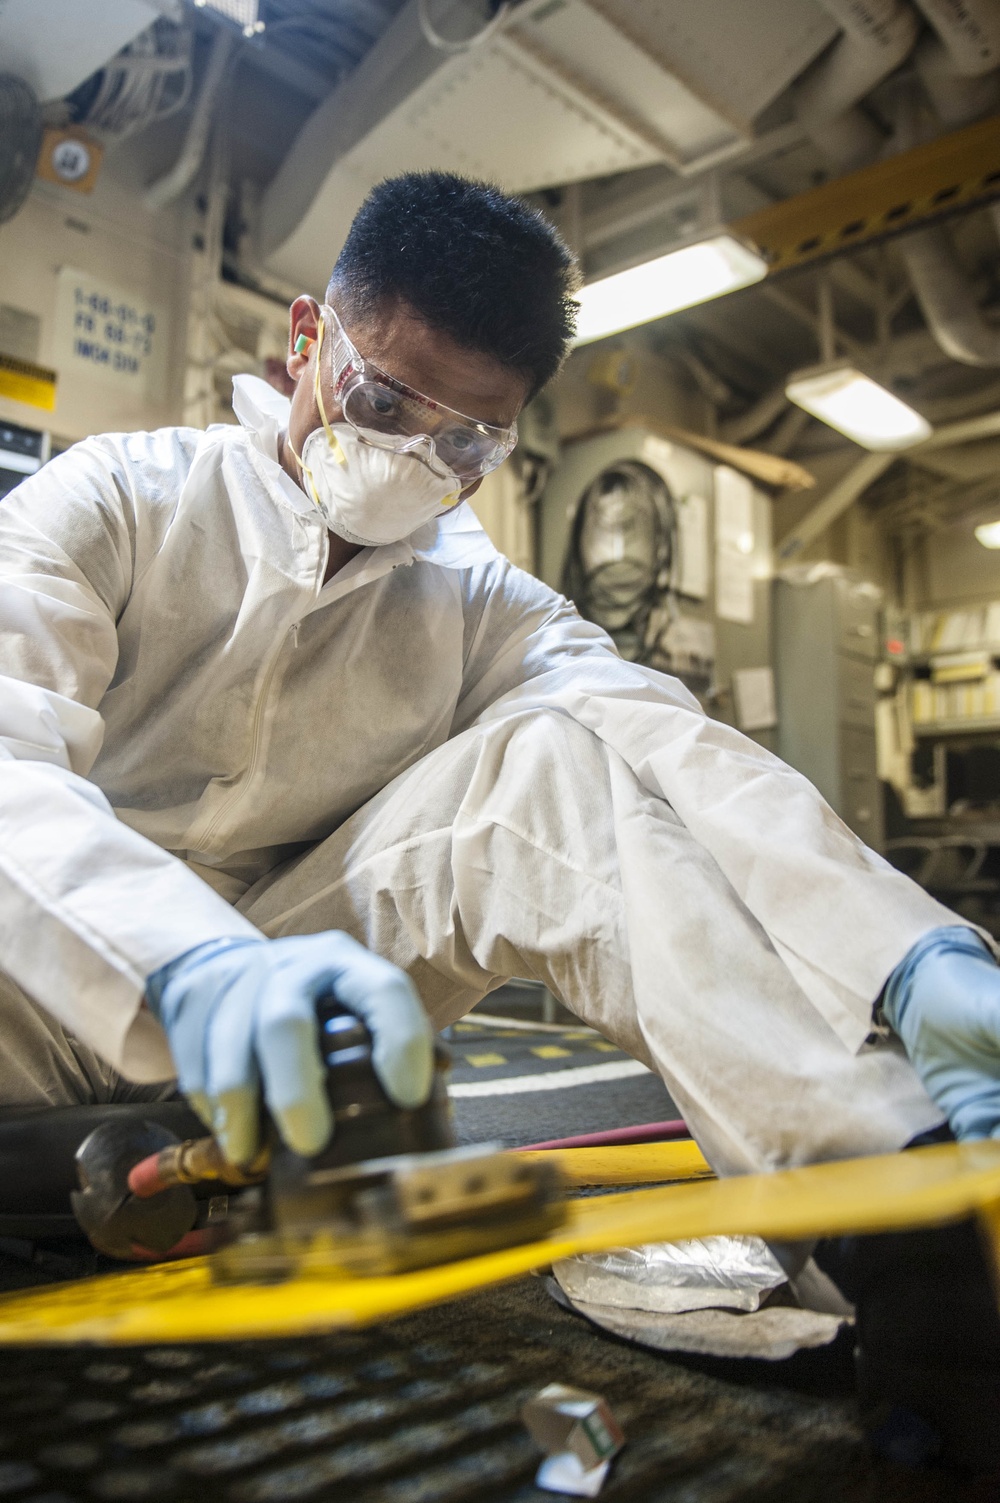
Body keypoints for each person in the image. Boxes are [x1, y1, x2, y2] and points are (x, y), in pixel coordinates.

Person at [0, 175, 998, 1452]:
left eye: (469, 441)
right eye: (384, 401)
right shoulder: (116, 500)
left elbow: (671, 744)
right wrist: (189, 966)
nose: (419, 456)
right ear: (306, 338)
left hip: (285, 1031)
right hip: (31, 1004)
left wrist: (906, 950)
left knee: (553, 763)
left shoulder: (477, 603)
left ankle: (901, 1222)